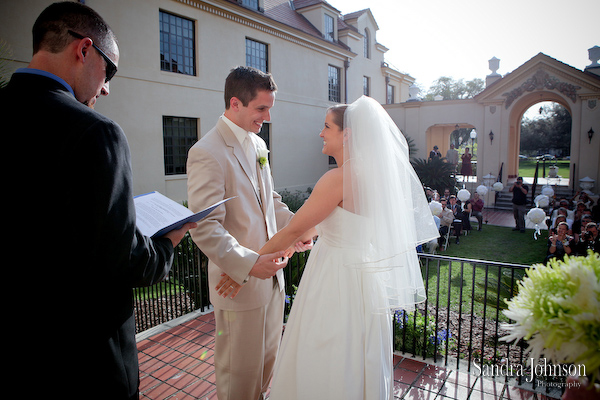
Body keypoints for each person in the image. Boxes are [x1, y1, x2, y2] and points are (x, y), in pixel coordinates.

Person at [0, 3, 196, 399]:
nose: (106, 88)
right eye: (110, 72)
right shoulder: (96, 133)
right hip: (80, 362)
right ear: (84, 49)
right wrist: (169, 240)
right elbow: (125, 261)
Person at [243, 96, 438, 399]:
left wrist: (247, 265)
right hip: (365, 281)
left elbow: (295, 228)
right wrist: (304, 238)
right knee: (358, 355)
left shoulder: (337, 178)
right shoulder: (374, 176)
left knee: (325, 350)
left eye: (326, 127)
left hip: (334, 278)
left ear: (347, 134)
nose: (320, 133)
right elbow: (327, 223)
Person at [186, 66, 311, 400]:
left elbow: (269, 201)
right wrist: (249, 264)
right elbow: (205, 226)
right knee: (238, 378)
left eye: (270, 108)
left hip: (273, 282)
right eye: (261, 108)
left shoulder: (258, 144)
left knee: (266, 368)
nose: (267, 117)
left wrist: (297, 229)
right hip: (239, 287)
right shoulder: (206, 151)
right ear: (235, 103)